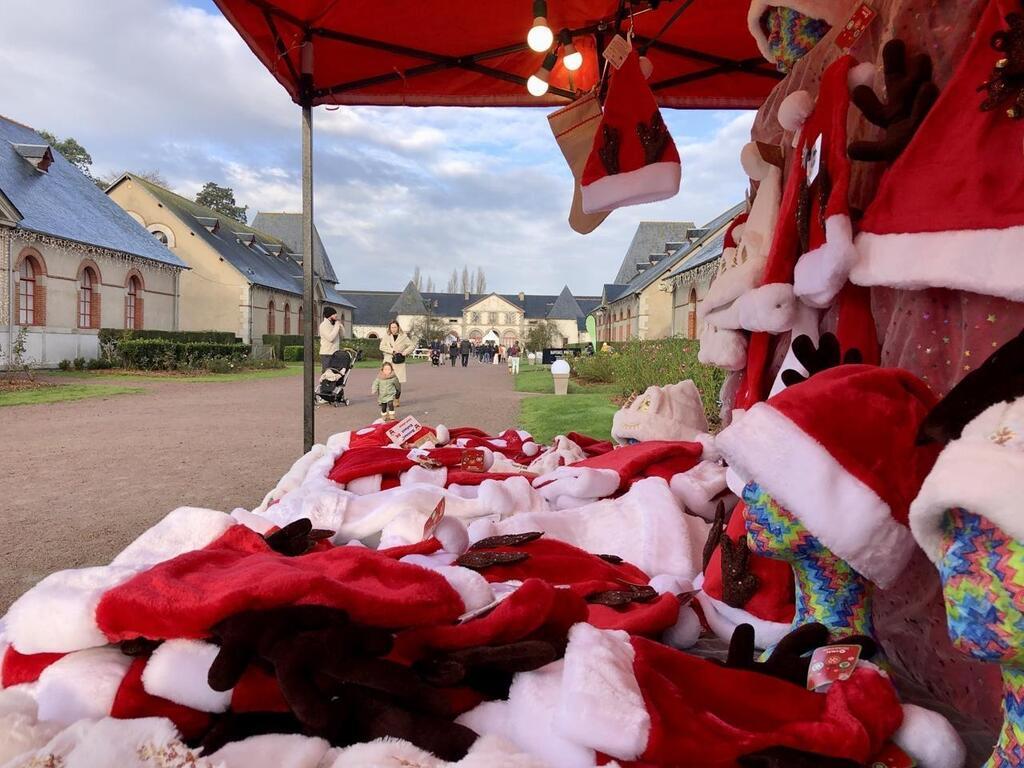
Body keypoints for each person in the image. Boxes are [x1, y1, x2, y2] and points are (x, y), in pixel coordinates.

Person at [379, 320, 416, 399]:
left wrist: (405, 352)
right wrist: (391, 351)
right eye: (392, 327)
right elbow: (381, 347)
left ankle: (397, 397)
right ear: (389, 328)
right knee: (386, 380)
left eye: (395, 327)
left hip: (399, 361)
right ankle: (387, 398)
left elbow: (412, 346)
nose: (393, 329)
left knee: (397, 381)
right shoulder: (387, 336)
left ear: (398, 327)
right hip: (388, 360)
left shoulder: (403, 336)